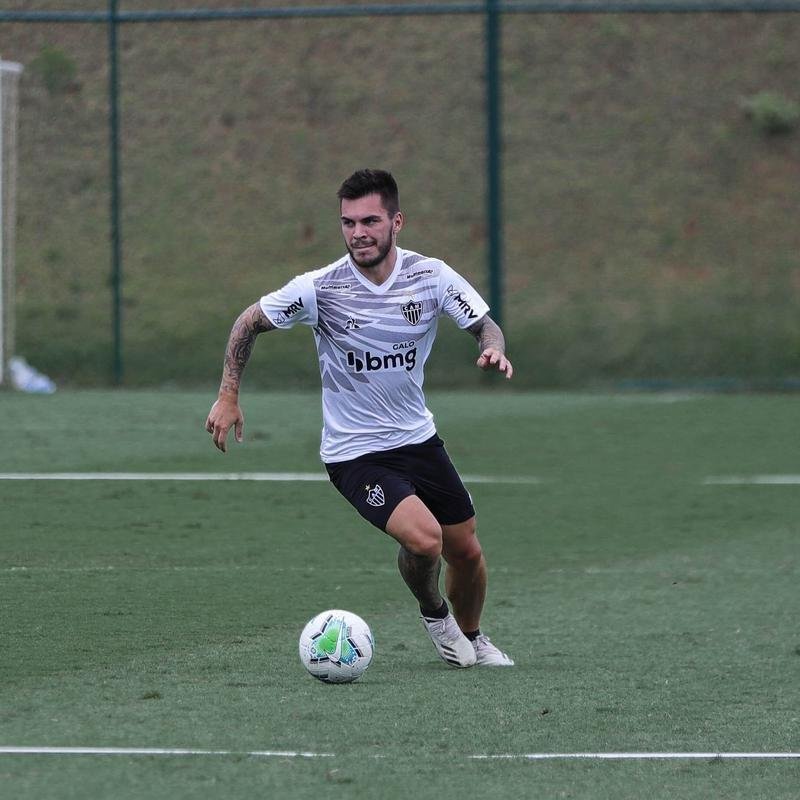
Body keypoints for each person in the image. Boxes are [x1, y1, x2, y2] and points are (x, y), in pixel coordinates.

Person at [205, 169, 514, 668]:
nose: (358, 233)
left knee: (467, 551)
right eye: (348, 223)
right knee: (424, 538)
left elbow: (484, 325)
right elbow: (249, 321)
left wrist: (493, 350)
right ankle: (435, 613)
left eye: (369, 221)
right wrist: (228, 395)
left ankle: (473, 637)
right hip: (356, 453)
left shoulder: (430, 276)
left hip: (418, 438)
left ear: (397, 222)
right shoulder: (320, 288)